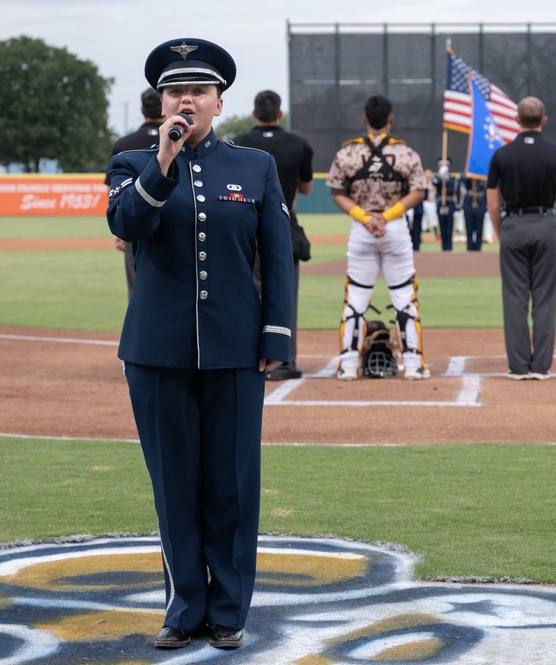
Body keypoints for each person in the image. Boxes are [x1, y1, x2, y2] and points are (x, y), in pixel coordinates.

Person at [106, 38, 293, 651]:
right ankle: (184, 608)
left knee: (232, 485)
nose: (186, 100)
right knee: (174, 483)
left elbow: (278, 256)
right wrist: (163, 161)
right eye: (174, 92)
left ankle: (228, 610)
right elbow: (128, 225)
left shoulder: (255, 167)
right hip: (156, 353)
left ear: (219, 101)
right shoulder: (132, 163)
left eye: (198, 92)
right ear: (161, 103)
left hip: (236, 350)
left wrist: (277, 333)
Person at [326, 94, 429, 380]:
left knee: (355, 298)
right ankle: (414, 364)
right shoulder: (406, 152)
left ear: (365, 119)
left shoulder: (347, 153)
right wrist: (386, 216)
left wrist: (367, 219)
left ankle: (347, 366)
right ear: (390, 119)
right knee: (405, 297)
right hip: (394, 227)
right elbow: (418, 191)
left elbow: (337, 193)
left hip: (362, 228)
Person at [486, 96, 556, 380]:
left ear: (517, 120)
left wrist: (502, 232)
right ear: (544, 120)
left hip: (513, 224)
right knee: (545, 297)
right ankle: (540, 367)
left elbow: (492, 203)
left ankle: (518, 367)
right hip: (546, 223)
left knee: (514, 298)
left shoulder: (502, 155)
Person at [232, 90, 315, 380]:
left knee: (247, 292)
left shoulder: (238, 143)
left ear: (255, 114)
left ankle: (245, 356)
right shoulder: (299, 144)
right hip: (283, 222)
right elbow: (306, 189)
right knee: (284, 293)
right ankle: (285, 361)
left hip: (245, 222)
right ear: (280, 114)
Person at [104, 88, 165, 299]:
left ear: (141, 109)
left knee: (137, 293)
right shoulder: (181, 139)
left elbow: (112, 190)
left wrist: (119, 232)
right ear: (165, 106)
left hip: (135, 226)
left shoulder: (125, 144)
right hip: (177, 224)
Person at [432, 157, 460, 251]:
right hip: (441, 203)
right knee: (442, 226)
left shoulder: (453, 179)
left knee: (449, 227)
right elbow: (434, 183)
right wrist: (440, 176)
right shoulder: (437, 178)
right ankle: (443, 248)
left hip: (450, 203)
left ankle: (449, 248)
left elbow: (455, 189)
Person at [460, 174, 487, 251]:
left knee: (479, 229)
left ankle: (478, 249)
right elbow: (463, 179)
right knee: (469, 228)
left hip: (480, 201)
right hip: (469, 201)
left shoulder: (483, 173)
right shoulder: (468, 172)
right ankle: (470, 249)